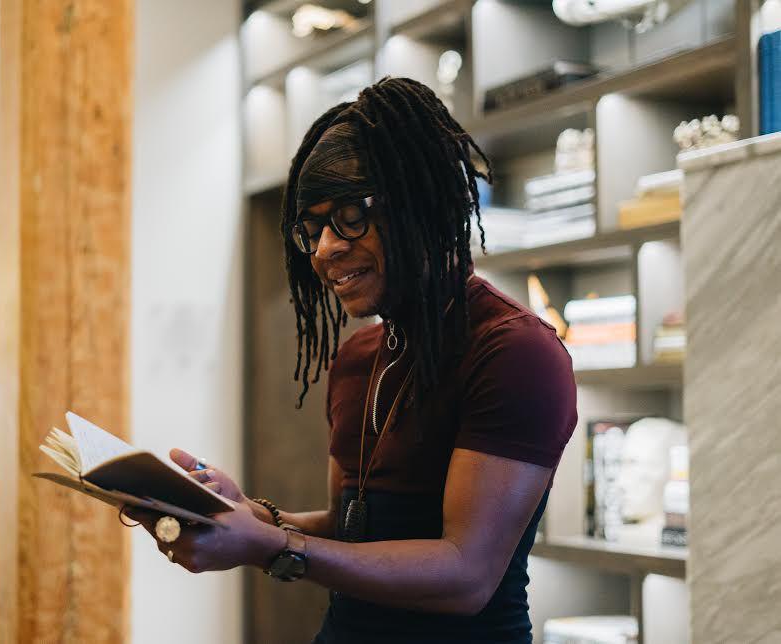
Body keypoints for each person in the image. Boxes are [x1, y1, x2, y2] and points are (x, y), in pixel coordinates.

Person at [126, 76, 578, 643]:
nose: (324, 249)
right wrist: (249, 514)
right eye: (310, 229)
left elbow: (466, 575)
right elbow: (353, 528)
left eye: (348, 216)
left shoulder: (516, 353)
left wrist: (269, 545)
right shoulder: (359, 357)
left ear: (421, 202)